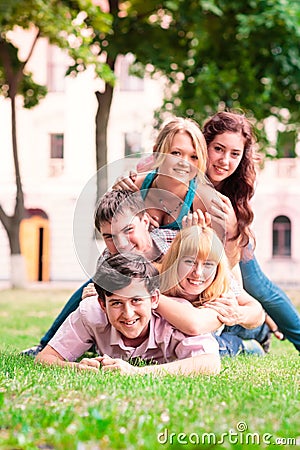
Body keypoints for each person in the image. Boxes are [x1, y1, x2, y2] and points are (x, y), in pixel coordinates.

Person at [112, 112, 300, 353]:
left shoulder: (224, 194)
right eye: (218, 149)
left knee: (258, 287)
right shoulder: (169, 168)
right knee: (116, 272)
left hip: (229, 241)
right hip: (183, 247)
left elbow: (225, 268)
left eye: (235, 154)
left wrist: (231, 229)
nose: (224, 160)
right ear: (204, 145)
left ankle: (260, 330)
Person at [21, 189, 216, 357]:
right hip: (148, 322)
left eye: (128, 230)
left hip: (190, 317)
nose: (121, 244)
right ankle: (48, 343)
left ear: (146, 221)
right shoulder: (108, 259)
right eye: (109, 237)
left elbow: (220, 282)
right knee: (89, 290)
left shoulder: (176, 244)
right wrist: (100, 297)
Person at [35, 253, 221, 376]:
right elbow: (44, 359)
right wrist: (76, 367)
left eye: (136, 300)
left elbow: (210, 363)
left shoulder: (175, 318)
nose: (128, 313)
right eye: (116, 303)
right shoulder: (90, 312)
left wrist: (136, 372)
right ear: (103, 304)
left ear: (154, 299)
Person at [157, 224, 269, 356]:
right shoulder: (158, 280)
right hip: (205, 330)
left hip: (228, 324)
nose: (198, 273)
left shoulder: (221, 282)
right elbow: (195, 325)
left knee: (242, 331)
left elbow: (257, 311)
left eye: (208, 264)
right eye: (190, 262)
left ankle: (259, 338)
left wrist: (237, 313)